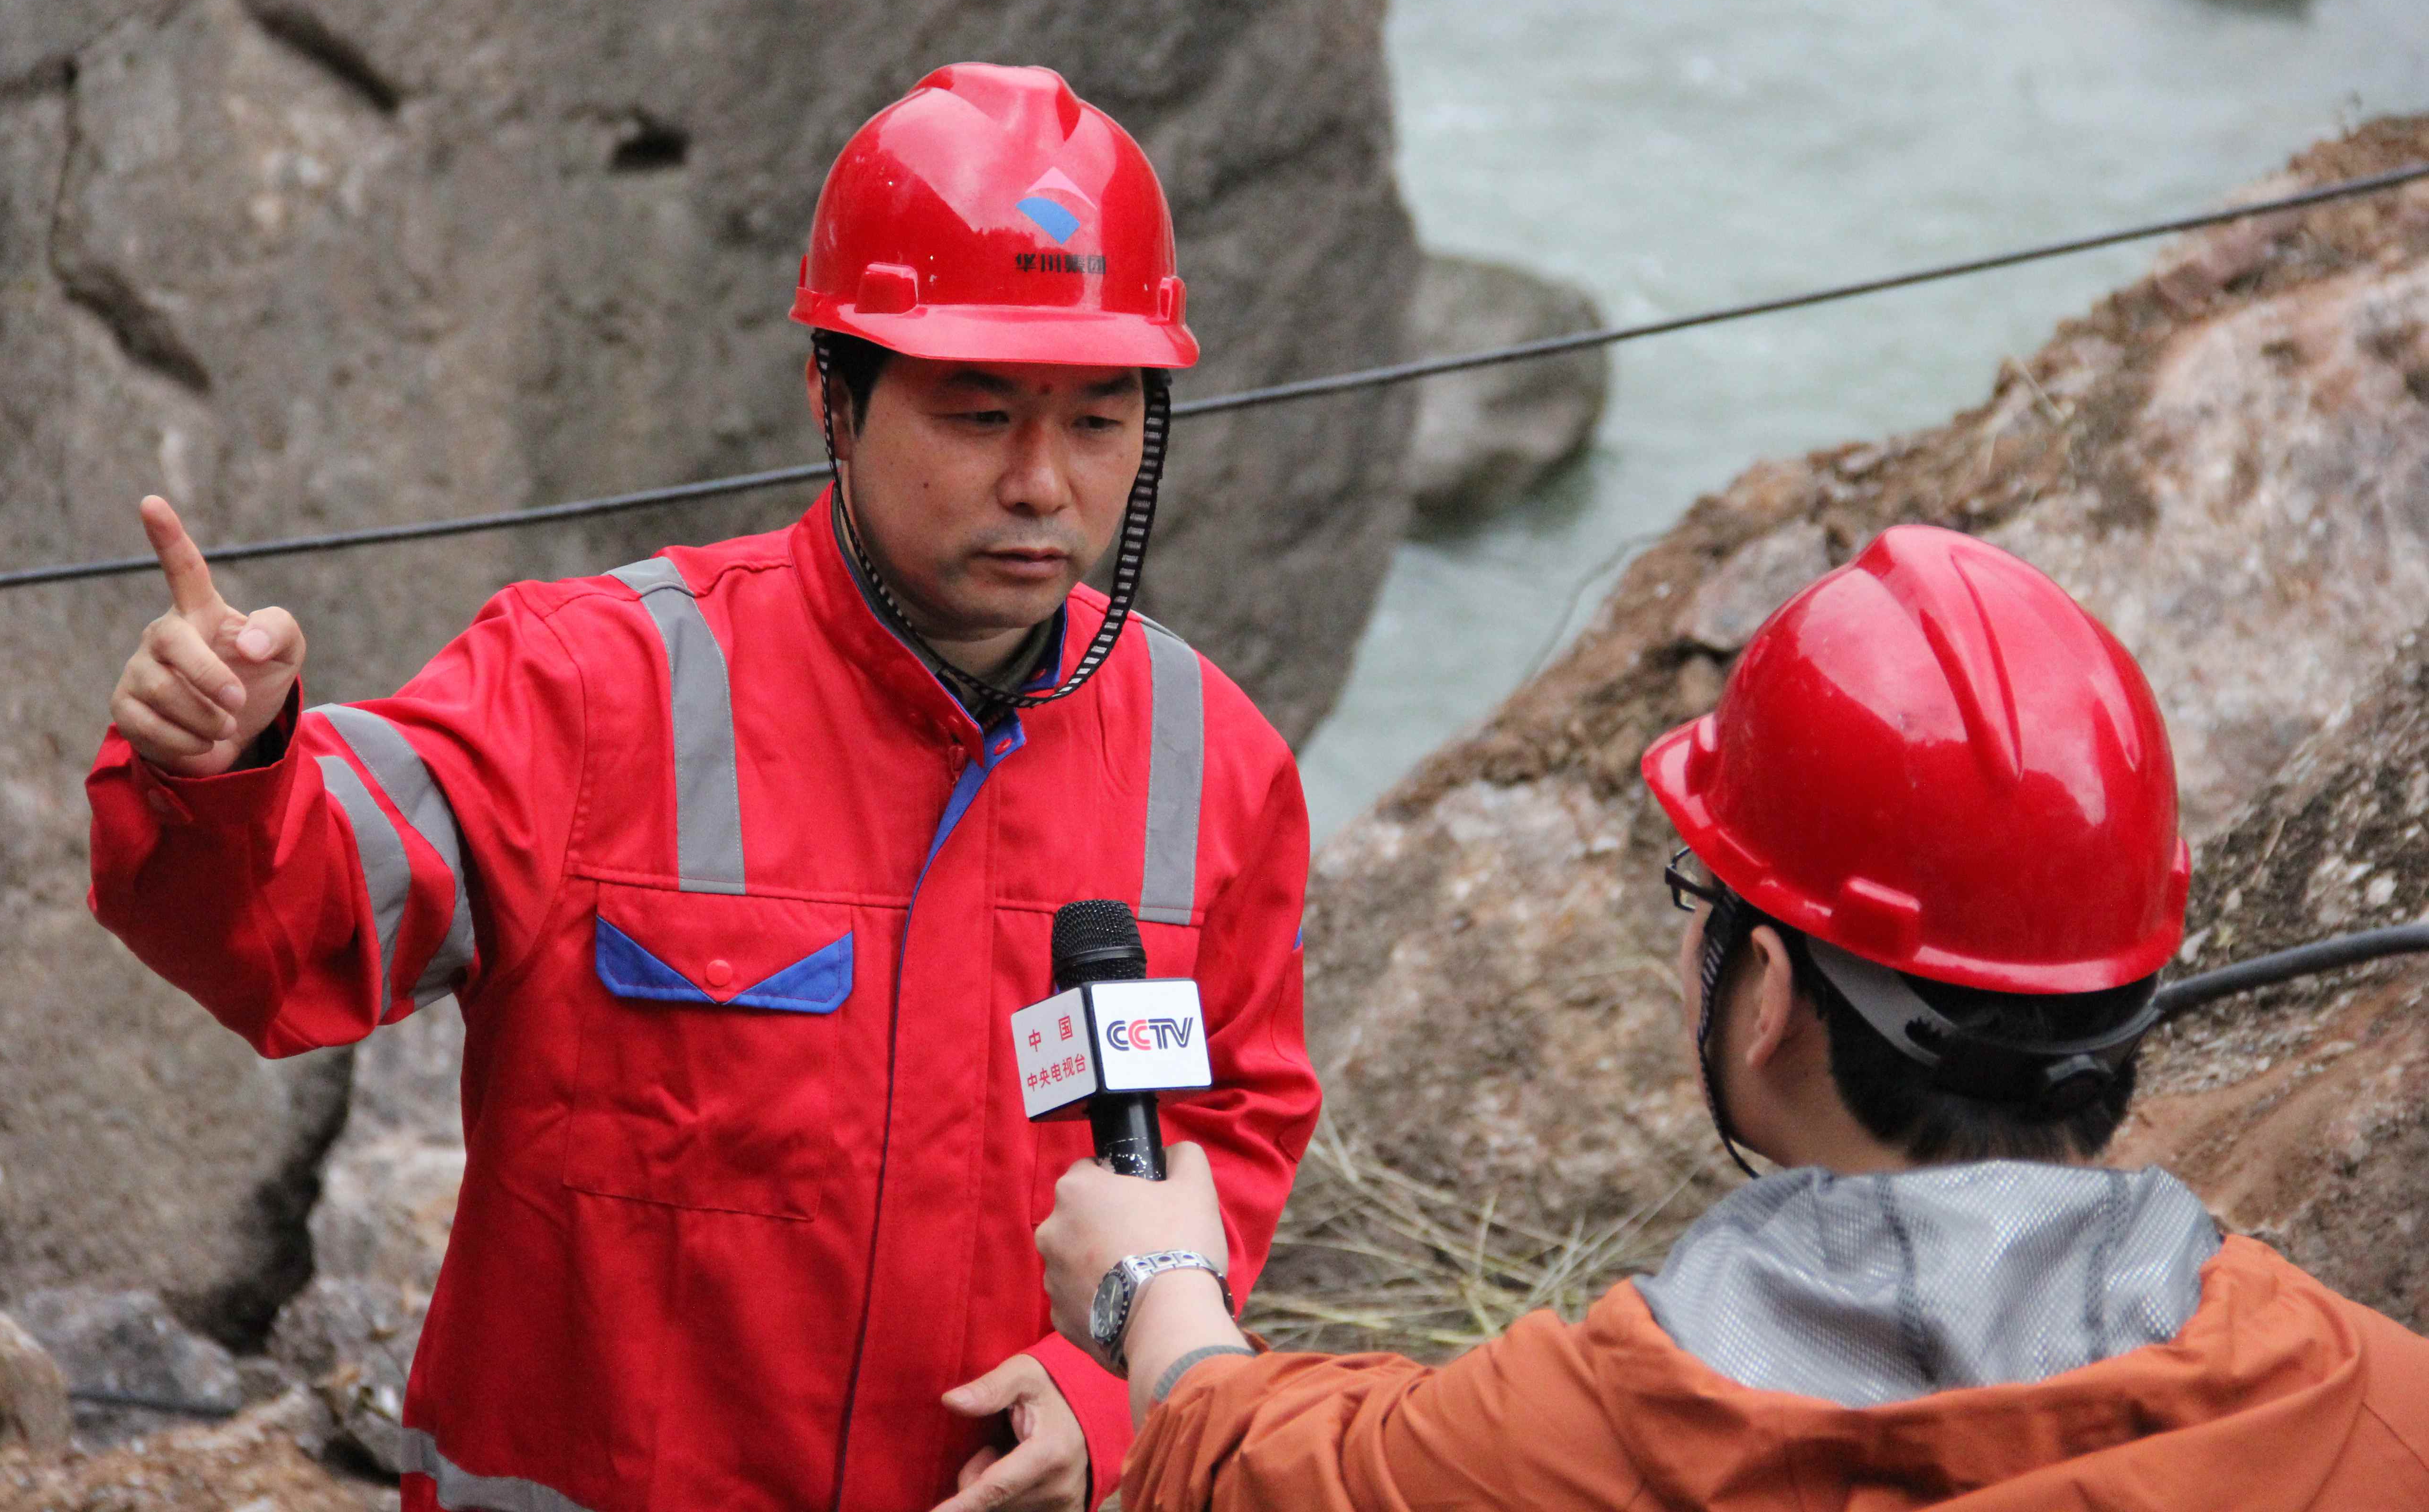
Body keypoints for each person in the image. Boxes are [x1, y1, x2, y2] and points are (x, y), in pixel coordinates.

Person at [89, 62, 1321, 1512]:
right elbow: (295, 930)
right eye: (982, 416)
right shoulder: (589, 683)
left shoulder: (1213, 761)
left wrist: (1109, 1394)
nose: (1044, 484)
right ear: (833, 399)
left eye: (1100, 423)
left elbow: (1231, 1129)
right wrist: (227, 765)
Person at [1035, 525, 2429, 1511]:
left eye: (1699, 897)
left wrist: (1155, 1287)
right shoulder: (2378, 1403)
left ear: (1765, 993)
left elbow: (1268, 1473)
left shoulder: (1621, 1432)